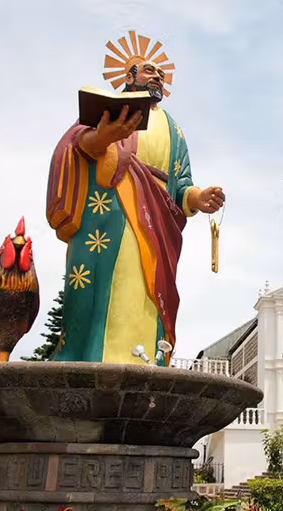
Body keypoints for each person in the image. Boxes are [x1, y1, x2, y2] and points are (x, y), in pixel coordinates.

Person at [46, 31, 224, 365]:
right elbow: (78, 145)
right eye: (148, 70)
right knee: (101, 286)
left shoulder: (173, 128)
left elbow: (180, 181)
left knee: (147, 289)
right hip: (107, 215)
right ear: (129, 77)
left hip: (157, 223)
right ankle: (90, 355)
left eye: (160, 73)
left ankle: (148, 358)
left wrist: (198, 197)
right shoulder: (113, 109)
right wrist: (102, 137)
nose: (157, 76)